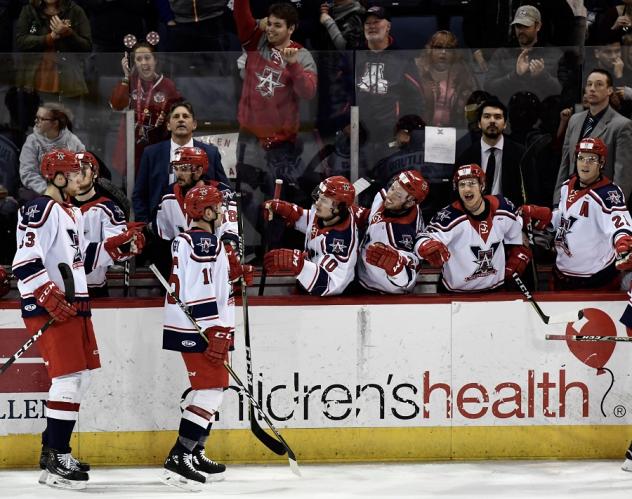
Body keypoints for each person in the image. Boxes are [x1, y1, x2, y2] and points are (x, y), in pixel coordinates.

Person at [11, 149, 143, 489]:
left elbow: (81, 258)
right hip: (53, 305)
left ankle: (51, 451)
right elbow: (25, 258)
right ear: (57, 177)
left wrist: (117, 247)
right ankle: (57, 455)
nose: (80, 177)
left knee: (79, 377)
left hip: (75, 304)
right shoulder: (41, 208)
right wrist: (45, 295)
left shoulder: (71, 212)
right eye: (73, 172)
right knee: (68, 378)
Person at [160, 185, 236, 491]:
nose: (220, 212)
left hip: (191, 326)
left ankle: (196, 450)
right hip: (201, 328)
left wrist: (232, 272)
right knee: (211, 391)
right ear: (206, 212)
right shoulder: (206, 242)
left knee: (210, 388)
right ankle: (180, 455)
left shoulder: (186, 238)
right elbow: (201, 291)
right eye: (217, 208)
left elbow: (201, 280)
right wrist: (215, 331)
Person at [232, 0, 318, 246]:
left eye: (277, 26)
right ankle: (266, 244)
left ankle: (277, 250)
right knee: (245, 195)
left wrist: (293, 66)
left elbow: (308, 91)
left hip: (280, 145)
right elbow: (242, 15)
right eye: (269, 24)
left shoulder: (302, 55)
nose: (270, 30)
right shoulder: (256, 42)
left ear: (291, 28)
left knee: (277, 200)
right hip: (248, 137)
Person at [521, 138, 632, 290]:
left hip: (595, 283)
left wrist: (624, 243)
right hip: (561, 276)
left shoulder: (608, 194)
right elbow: (566, 219)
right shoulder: (569, 184)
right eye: (581, 158)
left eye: (591, 159)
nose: (585, 163)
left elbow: (620, 224)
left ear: (601, 163)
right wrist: (547, 216)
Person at [416, 164, 531, 293]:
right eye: (462, 185)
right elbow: (422, 238)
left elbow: (518, 236)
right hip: (455, 294)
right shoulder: (448, 217)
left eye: (471, 183)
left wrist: (519, 254)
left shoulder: (503, 208)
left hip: (496, 291)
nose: (466, 189)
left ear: (482, 186)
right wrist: (425, 246)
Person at [132, 101, 229, 224]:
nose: (181, 120)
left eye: (185, 116)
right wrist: (146, 226)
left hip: (202, 225)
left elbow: (224, 193)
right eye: (176, 117)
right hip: (160, 229)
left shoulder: (210, 153)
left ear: (194, 125)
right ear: (168, 125)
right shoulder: (151, 154)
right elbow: (139, 195)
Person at [263, 175, 358, 296]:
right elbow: (313, 223)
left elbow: (329, 284)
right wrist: (290, 213)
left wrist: (297, 263)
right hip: (308, 286)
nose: (317, 203)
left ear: (338, 208)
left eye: (323, 200)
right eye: (319, 197)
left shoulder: (339, 243)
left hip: (331, 304)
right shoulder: (329, 214)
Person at [355, 6, 423, 166]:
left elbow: (415, 98)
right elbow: (343, 92)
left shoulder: (402, 58)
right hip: (359, 136)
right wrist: (345, 122)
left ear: (388, 26)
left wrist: (406, 128)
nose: (371, 26)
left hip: (391, 136)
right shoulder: (355, 55)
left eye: (376, 22)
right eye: (367, 23)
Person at [554, 68, 632, 204]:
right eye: (589, 84)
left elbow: (623, 173)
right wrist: (558, 201)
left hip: (601, 200)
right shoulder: (574, 120)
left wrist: (614, 207)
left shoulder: (622, 125)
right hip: (571, 197)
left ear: (609, 90)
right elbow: (565, 163)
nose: (592, 88)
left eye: (599, 84)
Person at [109, 41, 182, 174]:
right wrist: (126, 76)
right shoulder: (129, 82)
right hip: (131, 146)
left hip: (158, 145)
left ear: (155, 60)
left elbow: (177, 114)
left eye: (147, 58)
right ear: (134, 63)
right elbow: (116, 105)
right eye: (139, 59)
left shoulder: (168, 86)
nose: (144, 63)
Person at [357, 170, 428, 294]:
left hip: (380, 293)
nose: (390, 195)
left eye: (398, 195)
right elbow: (371, 216)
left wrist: (397, 269)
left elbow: (408, 278)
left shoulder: (401, 235)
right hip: (360, 277)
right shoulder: (384, 198)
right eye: (392, 188)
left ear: (410, 202)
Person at [71, 151, 128, 297]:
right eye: (74, 168)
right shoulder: (57, 207)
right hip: (61, 288)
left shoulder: (108, 208)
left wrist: (127, 245)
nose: (79, 172)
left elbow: (119, 255)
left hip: (95, 289)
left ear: (95, 173)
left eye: (84, 167)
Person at [456, 98, 528, 207]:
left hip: (511, 215)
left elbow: (531, 192)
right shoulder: (466, 156)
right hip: (473, 215)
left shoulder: (521, 154)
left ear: (505, 124)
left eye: (498, 117)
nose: (492, 121)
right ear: (479, 123)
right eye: (487, 116)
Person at [484, 5, 563, 104]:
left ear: (538, 26)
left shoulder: (554, 54)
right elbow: (489, 87)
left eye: (526, 26)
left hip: (543, 112)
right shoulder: (502, 53)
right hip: (509, 112)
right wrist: (514, 75)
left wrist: (543, 77)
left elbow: (564, 89)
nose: (521, 31)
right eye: (518, 26)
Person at [15, 0, 91, 100]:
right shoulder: (29, 10)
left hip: (69, 83)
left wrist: (69, 33)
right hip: (34, 82)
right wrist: (49, 38)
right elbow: (21, 41)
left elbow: (87, 48)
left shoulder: (75, 11)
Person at [415, 30, 477, 128]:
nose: (443, 52)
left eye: (448, 49)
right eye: (438, 47)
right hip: (421, 129)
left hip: (454, 131)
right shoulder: (417, 71)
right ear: (429, 49)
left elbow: (472, 105)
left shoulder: (463, 73)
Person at [19, 102, 84, 195]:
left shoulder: (72, 141)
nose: (36, 121)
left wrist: (71, 189)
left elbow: (83, 167)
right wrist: (48, 191)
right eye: (36, 117)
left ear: (55, 123)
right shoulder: (32, 141)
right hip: (39, 193)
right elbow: (27, 173)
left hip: (69, 192)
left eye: (41, 119)